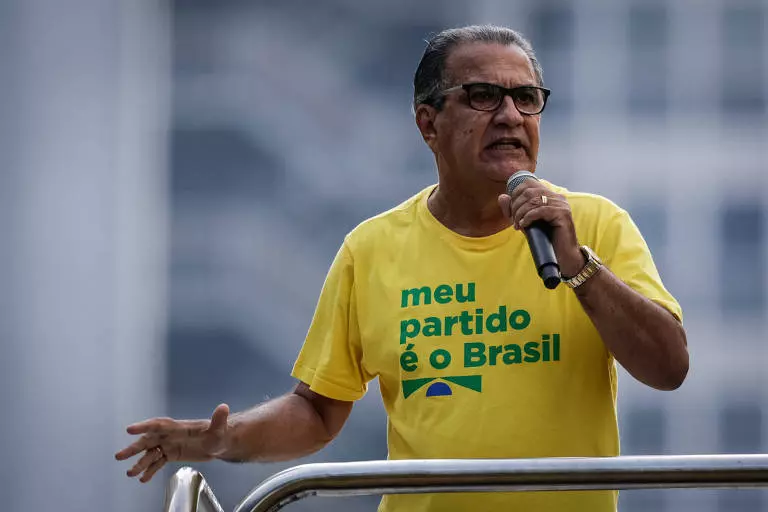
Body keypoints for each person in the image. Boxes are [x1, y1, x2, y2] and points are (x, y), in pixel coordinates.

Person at [116, 25, 688, 511]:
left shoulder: (595, 225)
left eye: (527, 97)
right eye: (484, 96)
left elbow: (668, 367)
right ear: (428, 123)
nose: (511, 115)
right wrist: (221, 441)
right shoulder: (371, 249)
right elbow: (316, 411)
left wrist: (578, 266)